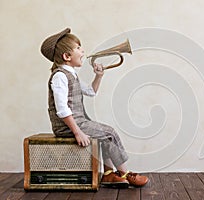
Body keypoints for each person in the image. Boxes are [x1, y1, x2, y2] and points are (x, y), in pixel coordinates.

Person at [40, 28, 148, 188]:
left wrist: (99, 75)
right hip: (67, 126)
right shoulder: (60, 76)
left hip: (78, 122)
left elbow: (91, 91)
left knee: (106, 136)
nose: (83, 51)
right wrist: (78, 132)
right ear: (66, 56)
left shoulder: (72, 74)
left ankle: (109, 174)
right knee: (109, 133)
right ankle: (125, 173)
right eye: (78, 48)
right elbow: (62, 109)